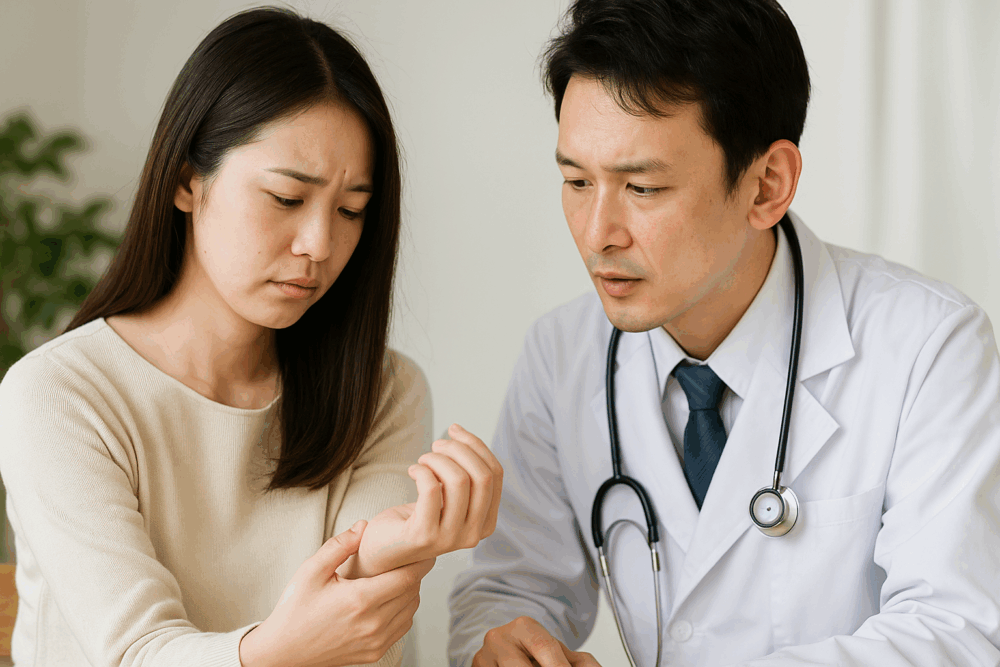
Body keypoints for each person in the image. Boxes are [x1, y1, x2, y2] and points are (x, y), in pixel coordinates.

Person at [447, 0, 1000, 665]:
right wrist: (506, 644)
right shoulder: (561, 354)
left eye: (642, 188)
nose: (597, 234)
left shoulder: (929, 347)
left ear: (767, 185)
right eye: (575, 180)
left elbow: (954, 632)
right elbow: (512, 589)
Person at [0, 7, 503, 667]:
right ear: (187, 180)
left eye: (351, 210)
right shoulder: (59, 395)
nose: (319, 243)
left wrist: (384, 556)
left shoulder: (381, 389)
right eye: (287, 199)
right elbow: (135, 653)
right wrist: (279, 647)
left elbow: (364, 645)